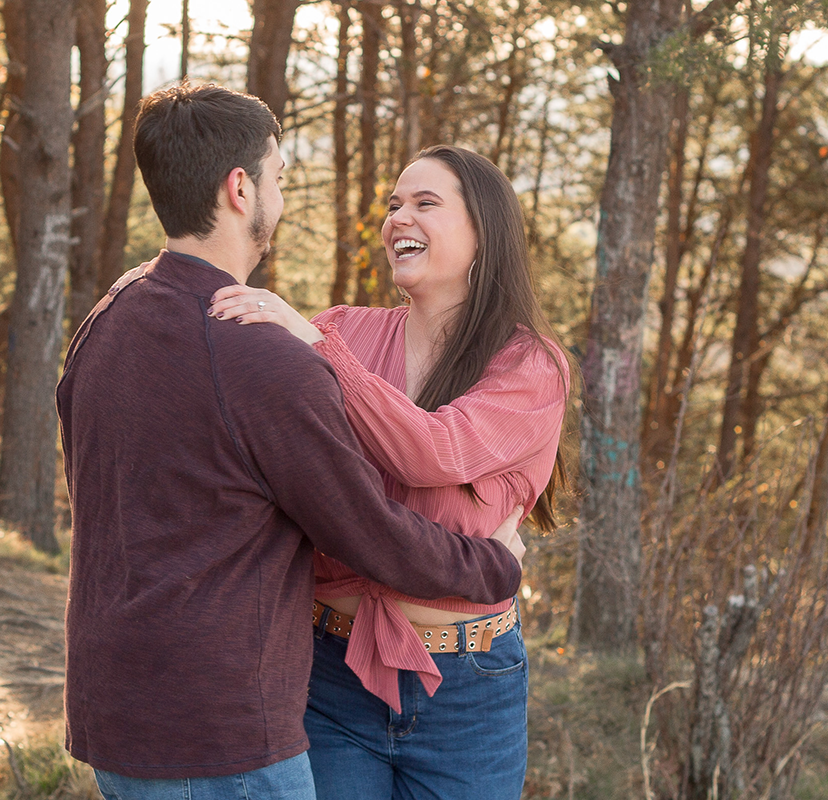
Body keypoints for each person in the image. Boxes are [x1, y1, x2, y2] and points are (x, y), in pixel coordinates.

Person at [56, 84, 530, 800]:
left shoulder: (108, 315)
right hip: (219, 728)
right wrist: (493, 564)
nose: (282, 191)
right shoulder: (262, 357)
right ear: (240, 188)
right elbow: (370, 530)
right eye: (277, 175)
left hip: (113, 709)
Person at [209, 145, 573, 799]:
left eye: (425, 203)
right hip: (326, 669)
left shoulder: (529, 364)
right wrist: (152, 284)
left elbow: (431, 452)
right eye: (393, 204)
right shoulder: (342, 330)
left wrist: (321, 352)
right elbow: (220, 379)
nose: (397, 217)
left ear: (484, 230)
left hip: (467, 689)